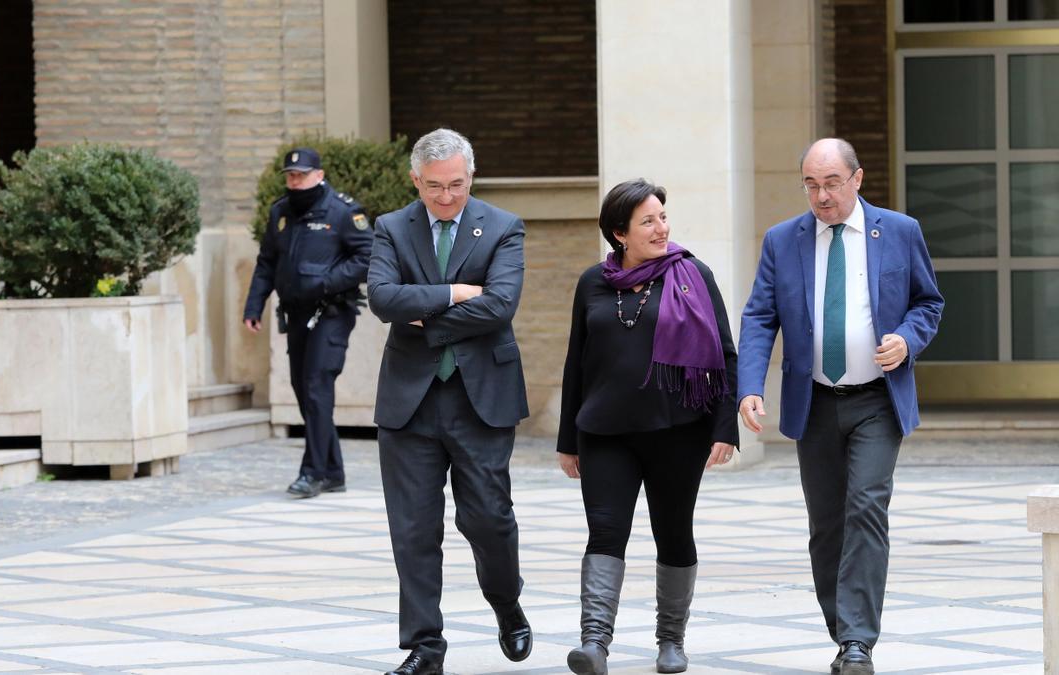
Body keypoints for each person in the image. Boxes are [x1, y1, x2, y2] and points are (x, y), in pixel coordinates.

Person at [737, 138, 943, 675]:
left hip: (877, 398)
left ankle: (857, 642)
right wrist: (750, 385)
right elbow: (760, 316)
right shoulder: (784, 240)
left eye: (831, 183)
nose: (821, 196)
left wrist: (906, 339)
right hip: (816, 402)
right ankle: (842, 628)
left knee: (866, 509)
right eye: (811, 184)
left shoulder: (900, 231)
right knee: (827, 523)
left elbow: (929, 302)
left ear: (857, 179)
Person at [557, 179, 739, 675]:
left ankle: (671, 641)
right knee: (605, 532)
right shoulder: (593, 282)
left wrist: (726, 427)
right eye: (648, 221)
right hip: (605, 431)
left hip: (678, 429)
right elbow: (578, 361)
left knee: (673, 532)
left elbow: (724, 354)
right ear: (620, 233)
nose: (662, 228)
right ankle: (594, 643)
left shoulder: (692, 274)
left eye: (662, 217)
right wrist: (567, 439)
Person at [366, 128, 531, 675]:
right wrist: (457, 293)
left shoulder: (503, 227)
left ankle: (506, 604)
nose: (445, 198)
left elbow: (501, 306)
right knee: (413, 528)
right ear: (416, 180)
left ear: (471, 176)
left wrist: (426, 318)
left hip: (479, 397)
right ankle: (425, 647)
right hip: (408, 403)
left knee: (488, 518)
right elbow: (383, 299)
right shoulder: (391, 228)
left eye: (456, 185)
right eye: (434, 187)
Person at [243, 147, 372, 499]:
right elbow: (267, 261)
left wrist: (326, 282)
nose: (294, 181)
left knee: (316, 388)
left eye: (301, 175)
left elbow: (368, 256)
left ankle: (313, 473)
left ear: (319, 174)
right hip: (296, 315)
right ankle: (333, 472)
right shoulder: (281, 213)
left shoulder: (343, 212)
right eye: (290, 175)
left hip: (331, 314)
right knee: (305, 392)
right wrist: (254, 305)